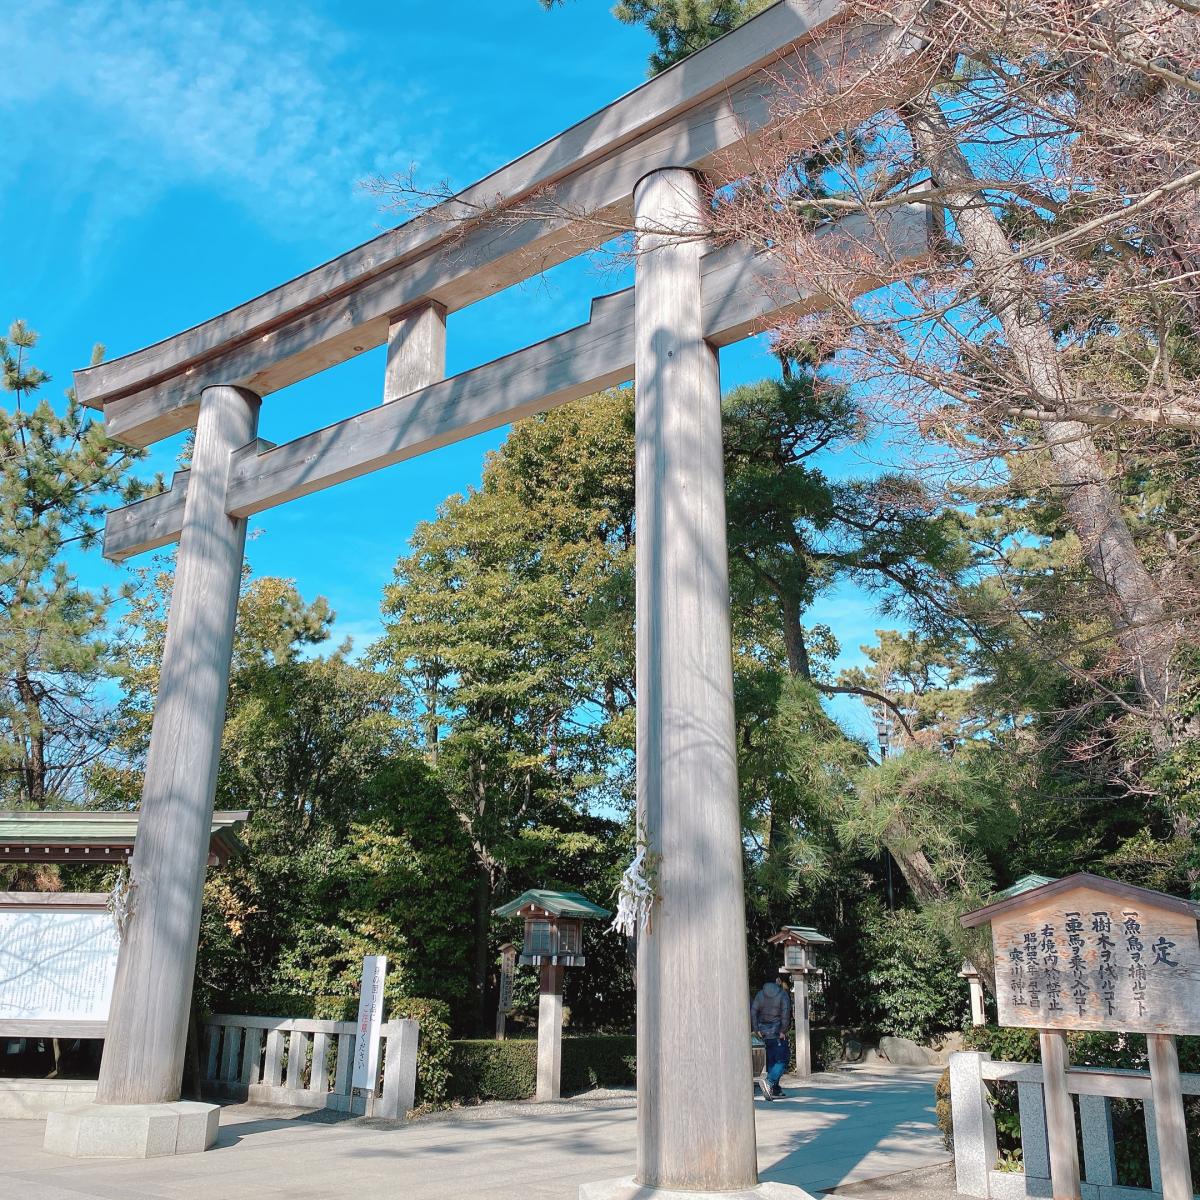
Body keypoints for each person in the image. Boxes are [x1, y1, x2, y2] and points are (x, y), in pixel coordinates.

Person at [751, 972, 792, 1100]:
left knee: (771, 1061)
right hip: (777, 1032)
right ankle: (769, 1082)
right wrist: (783, 1031)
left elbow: (753, 1011)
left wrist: (756, 1028)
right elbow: (785, 1014)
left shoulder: (760, 994)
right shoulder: (782, 994)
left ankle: (775, 1089)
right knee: (782, 1060)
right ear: (777, 980)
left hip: (764, 1033)